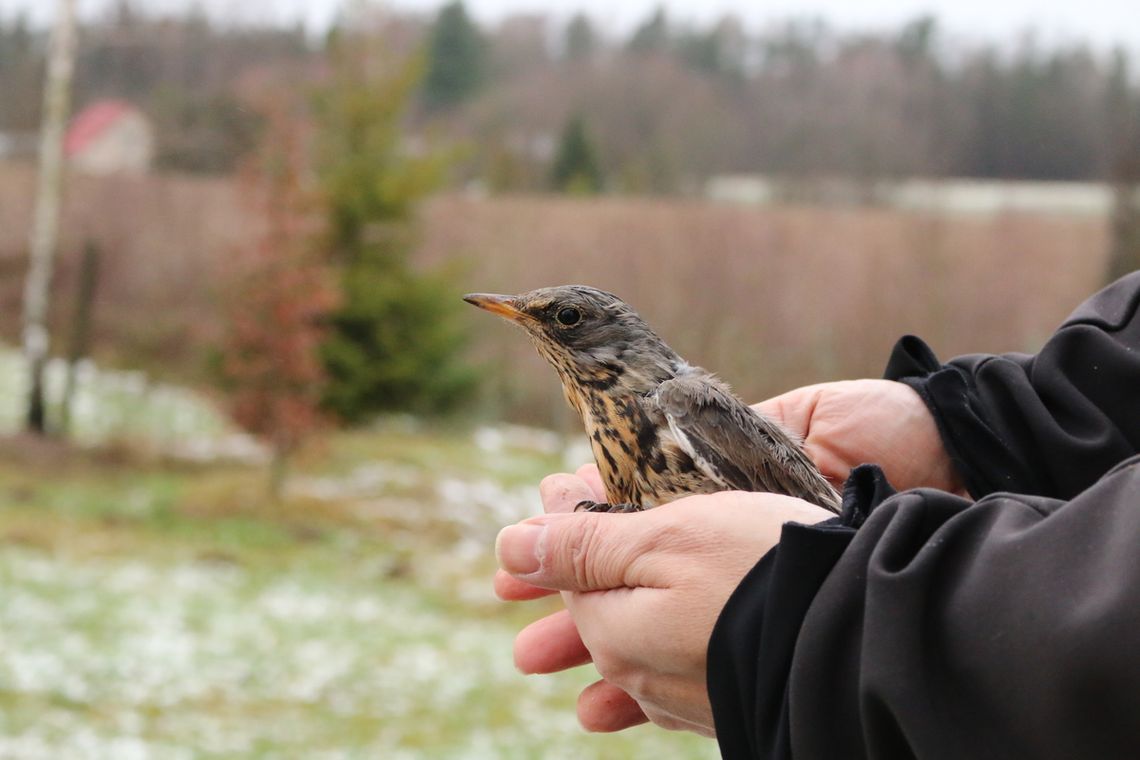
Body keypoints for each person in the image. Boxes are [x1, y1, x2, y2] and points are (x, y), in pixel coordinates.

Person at [495, 271, 1140, 759]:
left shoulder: (680, 405)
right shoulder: (610, 416)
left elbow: (814, 535)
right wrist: (967, 423)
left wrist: (814, 628)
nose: (543, 324)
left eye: (566, 318)